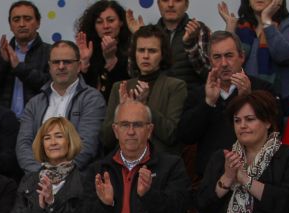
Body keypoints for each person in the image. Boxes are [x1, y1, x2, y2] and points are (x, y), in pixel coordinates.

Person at [179, 31, 276, 189]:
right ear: (210, 61)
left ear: (242, 57)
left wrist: (248, 98)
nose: (223, 63)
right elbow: (186, 135)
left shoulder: (262, 89)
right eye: (217, 57)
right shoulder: (198, 94)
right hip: (212, 181)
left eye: (229, 55)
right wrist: (208, 103)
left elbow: (275, 130)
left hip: (256, 178)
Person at [17, 41, 106, 173]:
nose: (61, 66)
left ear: (79, 66)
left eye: (67, 62)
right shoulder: (34, 103)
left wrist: (61, 175)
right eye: (56, 62)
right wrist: (40, 173)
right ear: (49, 66)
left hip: (78, 180)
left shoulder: (92, 99)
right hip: (38, 179)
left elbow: (87, 145)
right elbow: (23, 145)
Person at [102, 25, 187, 156]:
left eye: (152, 51)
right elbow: (105, 140)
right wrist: (122, 111)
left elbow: (171, 135)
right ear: (134, 53)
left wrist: (144, 105)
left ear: (162, 54)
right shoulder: (119, 87)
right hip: (123, 163)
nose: (146, 56)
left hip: (159, 163)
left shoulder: (176, 86)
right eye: (141, 50)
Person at [218, 0, 289, 116]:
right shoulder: (241, 28)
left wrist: (267, 21)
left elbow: (284, 55)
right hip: (246, 102)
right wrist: (230, 28)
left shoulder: (288, 24)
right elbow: (229, 62)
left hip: (283, 104)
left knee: (275, 134)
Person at [0, 1, 51, 119]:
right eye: (16, 20)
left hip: (39, 121)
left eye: (27, 19)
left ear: (38, 23)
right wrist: (3, 62)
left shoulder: (51, 52)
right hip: (5, 123)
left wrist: (19, 68)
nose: (22, 24)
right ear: (10, 25)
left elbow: (51, 87)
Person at [74, 0, 132, 101]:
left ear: (121, 22)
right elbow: (82, 92)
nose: (105, 26)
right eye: (99, 22)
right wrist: (84, 64)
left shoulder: (132, 48)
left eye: (111, 20)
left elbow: (125, 87)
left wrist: (111, 60)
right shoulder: (88, 49)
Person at [154, 0, 211, 87]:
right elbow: (133, 73)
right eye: (165, 0)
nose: (170, 5)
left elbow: (208, 73)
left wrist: (190, 45)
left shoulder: (199, 29)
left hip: (191, 97)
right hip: (157, 98)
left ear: (186, 5)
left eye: (177, 0)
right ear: (158, 4)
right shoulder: (150, 33)